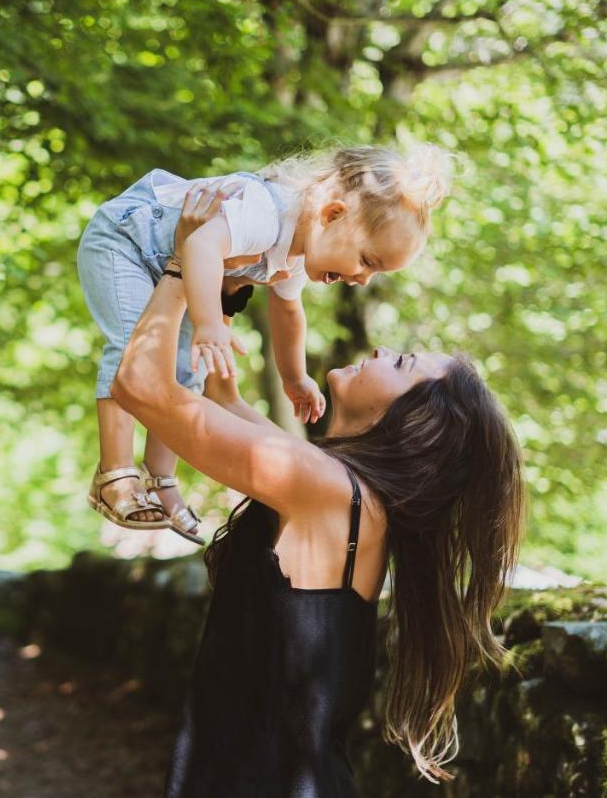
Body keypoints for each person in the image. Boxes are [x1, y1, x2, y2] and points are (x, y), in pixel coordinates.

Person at [110, 183, 527, 795]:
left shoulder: (326, 488)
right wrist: (223, 278)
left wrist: (178, 264)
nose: (383, 349)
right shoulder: (337, 486)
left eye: (403, 364)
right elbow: (220, 398)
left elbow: (140, 385)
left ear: (417, 423)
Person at [78, 144, 453, 545]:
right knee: (133, 345)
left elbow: (289, 313)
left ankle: (160, 479)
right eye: (368, 260)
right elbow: (202, 245)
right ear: (333, 214)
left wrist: (294, 378)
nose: (362, 279)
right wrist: (209, 324)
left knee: (187, 371)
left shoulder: (297, 251)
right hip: (126, 244)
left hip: (176, 270)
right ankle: (114, 473)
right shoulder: (266, 211)